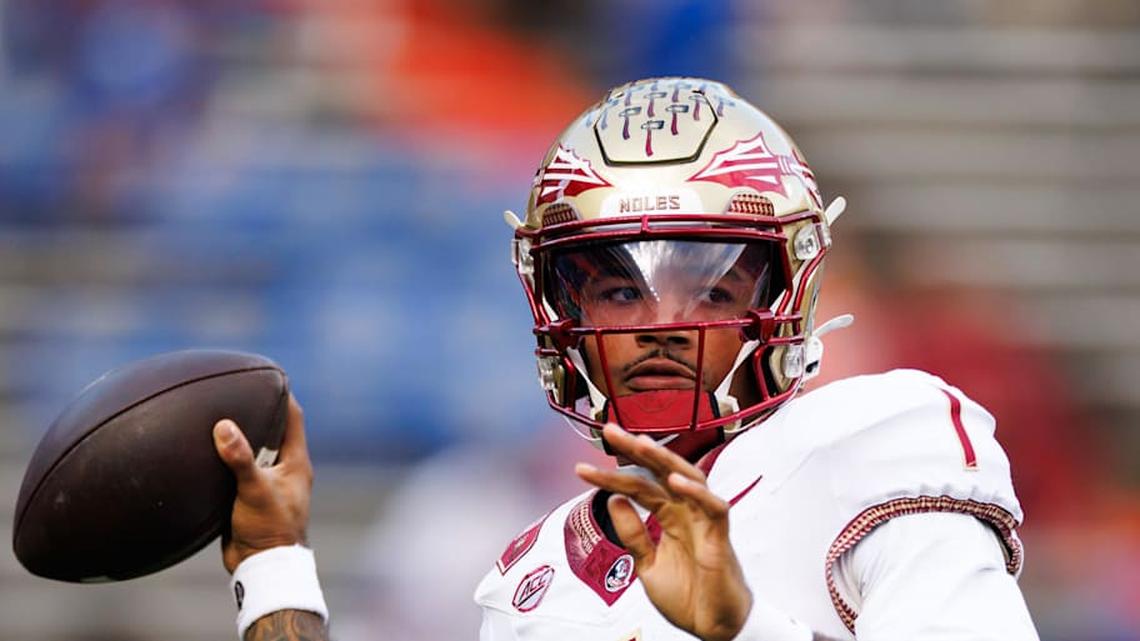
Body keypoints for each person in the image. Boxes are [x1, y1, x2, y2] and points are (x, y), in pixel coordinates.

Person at [210, 77, 1040, 641]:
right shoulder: (535, 574)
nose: (659, 325)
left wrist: (741, 625)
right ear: (560, 308)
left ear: (786, 289)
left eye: (712, 289)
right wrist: (275, 566)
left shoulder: (875, 443)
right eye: (617, 290)